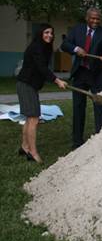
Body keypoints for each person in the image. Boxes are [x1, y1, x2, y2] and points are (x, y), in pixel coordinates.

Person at [61, 7, 102, 149]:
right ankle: (77, 142)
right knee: (78, 107)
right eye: (93, 18)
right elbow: (65, 45)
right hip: (80, 73)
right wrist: (76, 49)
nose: (95, 21)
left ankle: (100, 141)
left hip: (98, 74)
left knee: (99, 106)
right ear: (87, 18)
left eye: (98, 19)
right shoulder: (77, 30)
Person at [16, 24, 67, 163]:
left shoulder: (43, 48)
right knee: (34, 118)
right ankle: (32, 152)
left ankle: (25, 146)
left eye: (51, 33)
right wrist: (57, 80)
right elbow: (42, 68)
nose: (49, 35)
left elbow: (42, 70)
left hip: (29, 85)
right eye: (46, 32)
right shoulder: (36, 48)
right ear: (40, 33)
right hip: (26, 84)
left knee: (30, 117)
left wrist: (55, 79)